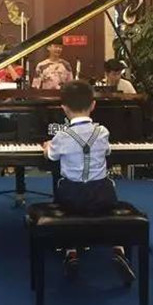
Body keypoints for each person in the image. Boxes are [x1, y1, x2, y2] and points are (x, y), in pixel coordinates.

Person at [43, 80, 135, 281]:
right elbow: (107, 151)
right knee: (108, 191)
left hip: (72, 196)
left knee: (64, 193)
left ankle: (71, 253)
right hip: (103, 195)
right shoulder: (102, 132)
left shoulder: (62, 136)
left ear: (64, 108)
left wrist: (47, 146)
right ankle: (118, 249)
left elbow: (51, 156)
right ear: (93, 105)